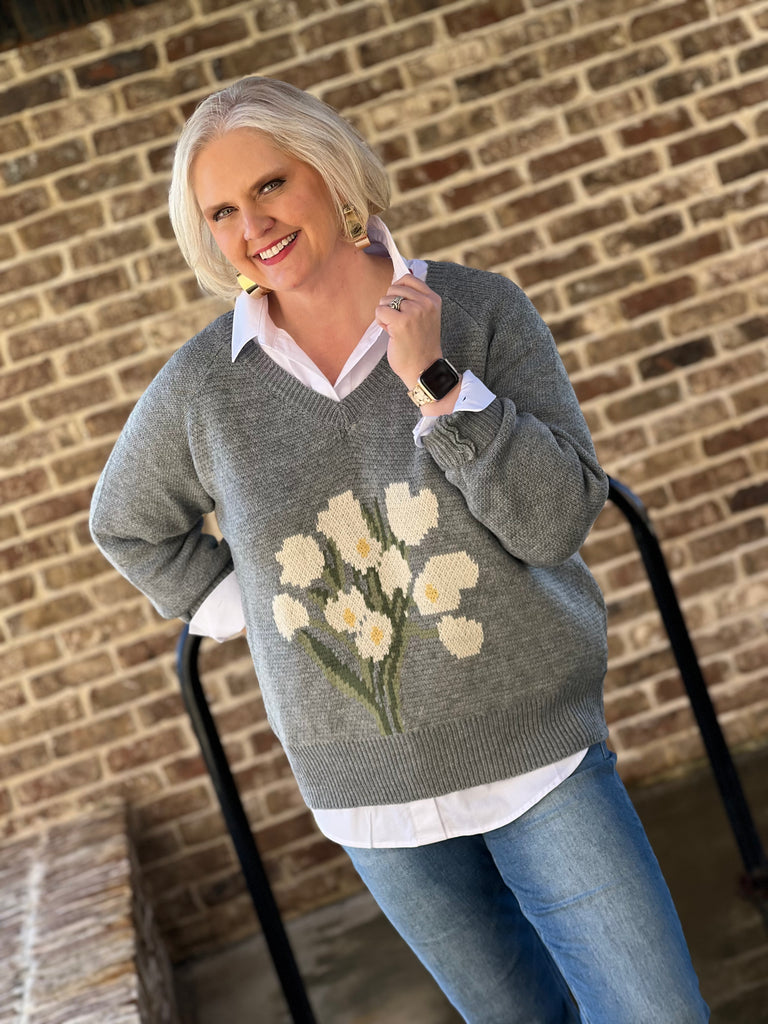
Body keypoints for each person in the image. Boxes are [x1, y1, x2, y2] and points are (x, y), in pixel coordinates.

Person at [90, 77, 709, 1023]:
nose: (253, 226)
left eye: (271, 185)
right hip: (369, 801)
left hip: (537, 756)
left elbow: (555, 525)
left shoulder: (479, 310)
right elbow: (126, 523)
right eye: (221, 211)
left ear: (331, 174)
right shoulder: (204, 388)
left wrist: (437, 382)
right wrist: (261, 613)